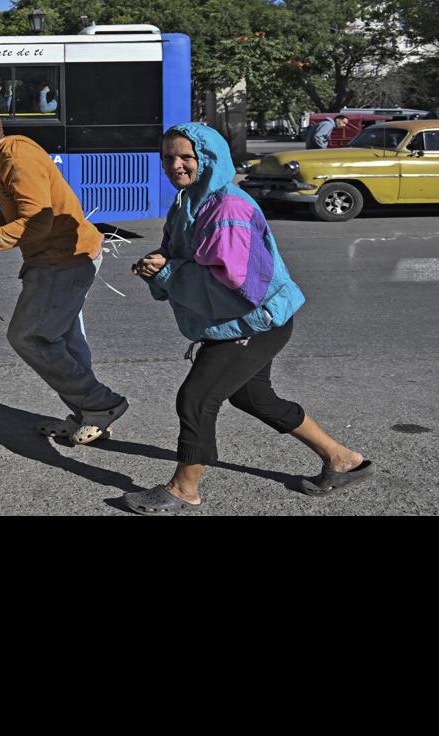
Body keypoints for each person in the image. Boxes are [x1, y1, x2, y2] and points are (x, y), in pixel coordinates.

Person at [122, 122, 371, 514]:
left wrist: (168, 273)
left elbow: (236, 284)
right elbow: (182, 253)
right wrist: (159, 261)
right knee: (254, 397)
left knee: (197, 397)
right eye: (168, 157)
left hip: (255, 320)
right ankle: (343, 460)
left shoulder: (228, 208)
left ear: (208, 159)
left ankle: (183, 489)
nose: (176, 165)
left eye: (186, 157)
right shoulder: (188, 202)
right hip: (235, 321)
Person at [0, 102, 129, 445]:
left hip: (63, 259)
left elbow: (34, 225)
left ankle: (101, 403)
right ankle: (91, 412)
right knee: (64, 340)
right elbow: (14, 213)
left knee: (30, 337)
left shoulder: (15, 158)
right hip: (60, 257)